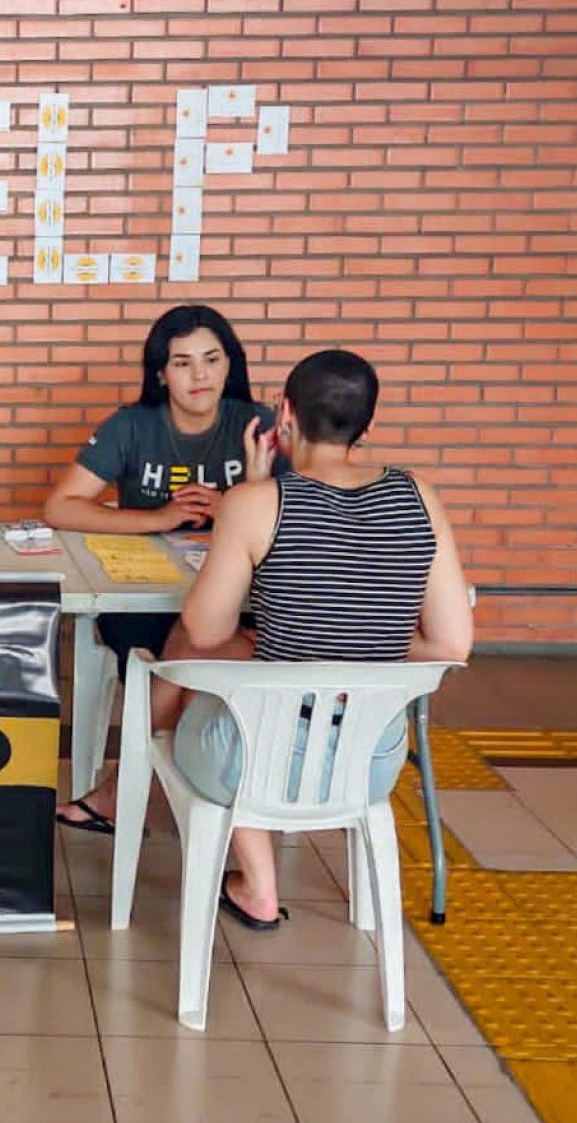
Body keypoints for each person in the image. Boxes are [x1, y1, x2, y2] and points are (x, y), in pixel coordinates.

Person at [172, 348, 473, 930]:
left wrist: (249, 500)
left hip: (260, 760)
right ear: (368, 425)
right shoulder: (420, 497)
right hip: (371, 765)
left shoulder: (257, 504)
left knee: (187, 694)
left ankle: (258, 882)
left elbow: (205, 631)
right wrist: (365, 639)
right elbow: (451, 645)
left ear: (285, 414)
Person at [43, 304, 280, 833]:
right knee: (196, 659)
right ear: (160, 373)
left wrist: (236, 508)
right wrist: (158, 518)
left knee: (202, 657)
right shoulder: (133, 425)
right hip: (144, 598)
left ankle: (133, 795)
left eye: (212, 359)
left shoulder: (259, 426)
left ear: (230, 364)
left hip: (245, 602)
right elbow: (60, 507)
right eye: (182, 362)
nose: (200, 375)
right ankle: (219, 816)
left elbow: (305, 510)